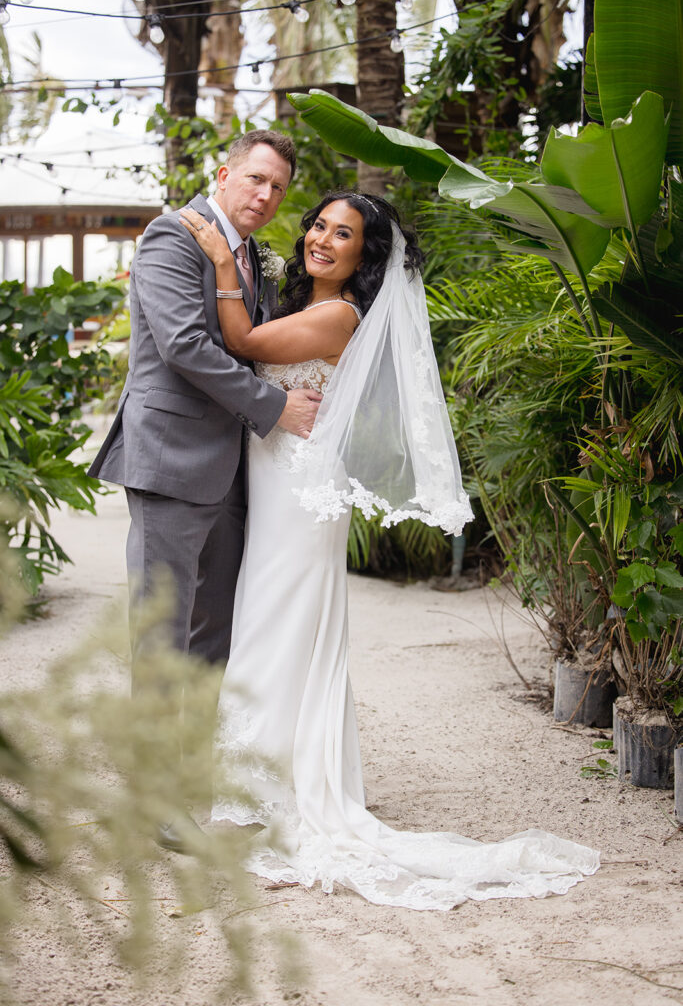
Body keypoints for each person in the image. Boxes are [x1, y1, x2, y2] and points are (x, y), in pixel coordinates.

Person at [179, 190, 600, 911]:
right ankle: (261, 779)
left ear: (363, 255)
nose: (321, 239)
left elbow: (245, 346)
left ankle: (259, 794)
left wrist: (219, 258)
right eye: (317, 224)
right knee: (268, 623)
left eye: (341, 234)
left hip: (299, 492)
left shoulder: (341, 315)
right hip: (279, 483)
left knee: (277, 628)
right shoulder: (300, 301)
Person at [88, 131, 321, 852]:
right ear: (223, 174)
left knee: (212, 633)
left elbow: (253, 336)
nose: (264, 196)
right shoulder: (171, 237)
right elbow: (185, 345)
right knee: (162, 631)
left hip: (232, 470)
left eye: (277, 188)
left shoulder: (252, 258)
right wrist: (274, 405)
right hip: (171, 460)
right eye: (254, 179)